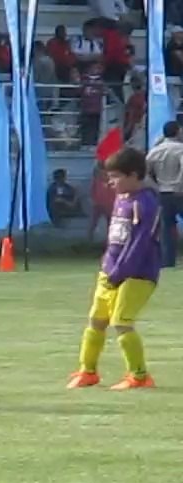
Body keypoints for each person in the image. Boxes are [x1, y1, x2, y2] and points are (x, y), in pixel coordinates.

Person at [66, 147, 161, 390]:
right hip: (110, 271)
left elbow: (139, 244)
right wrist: (108, 264)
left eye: (116, 176)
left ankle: (139, 376)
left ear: (134, 175)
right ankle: (87, 371)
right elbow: (117, 238)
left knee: (121, 321)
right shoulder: (122, 198)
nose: (110, 182)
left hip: (137, 274)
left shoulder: (145, 203)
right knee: (96, 319)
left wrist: (119, 273)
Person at [146, 120, 183, 267]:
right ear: (177, 132)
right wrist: (180, 184)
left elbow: (145, 172)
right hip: (180, 192)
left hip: (163, 192)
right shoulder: (180, 149)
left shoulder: (155, 150)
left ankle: (168, 260)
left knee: (167, 228)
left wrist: (155, 186)